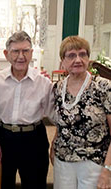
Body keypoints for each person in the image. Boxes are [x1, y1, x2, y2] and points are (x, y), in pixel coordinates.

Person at [0, 31, 54, 189]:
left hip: (34, 139)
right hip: (4, 139)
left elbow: (56, 116)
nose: (21, 56)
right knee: (3, 184)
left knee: (35, 184)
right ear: (6, 54)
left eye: (25, 51)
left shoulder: (43, 82)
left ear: (32, 53)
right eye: (15, 51)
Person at [50, 36, 111, 189]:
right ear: (62, 61)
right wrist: (54, 145)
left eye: (82, 54)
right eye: (71, 55)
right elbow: (62, 122)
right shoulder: (58, 87)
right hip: (63, 161)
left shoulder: (103, 87)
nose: (78, 60)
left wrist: (108, 170)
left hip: (94, 162)